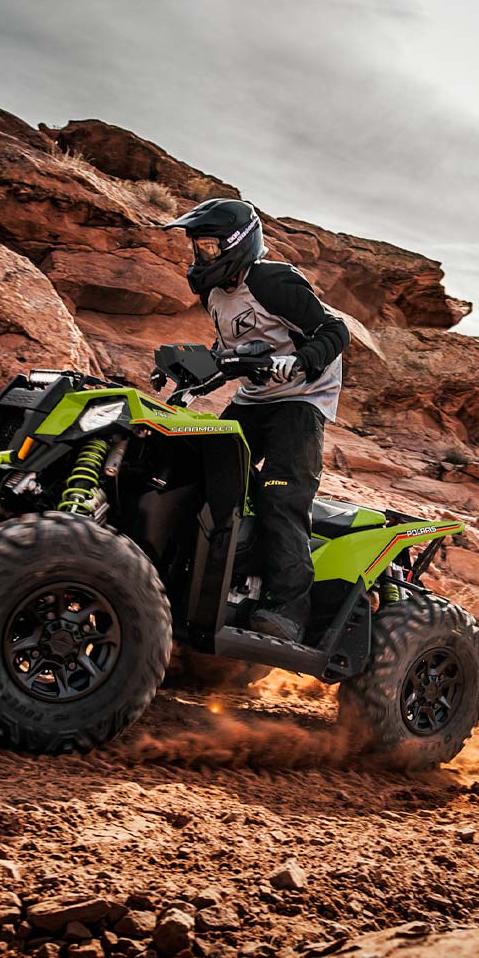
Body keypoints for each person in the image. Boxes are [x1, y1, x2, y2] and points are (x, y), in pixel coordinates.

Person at [162, 198, 349, 642]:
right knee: (204, 471)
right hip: (254, 398)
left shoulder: (271, 280)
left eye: (208, 247)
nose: (200, 256)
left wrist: (301, 362)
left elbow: (335, 331)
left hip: (301, 399)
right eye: (196, 247)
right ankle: (213, 576)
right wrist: (189, 374)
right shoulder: (213, 294)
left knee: (281, 495)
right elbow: (230, 350)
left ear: (236, 244)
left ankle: (288, 608)